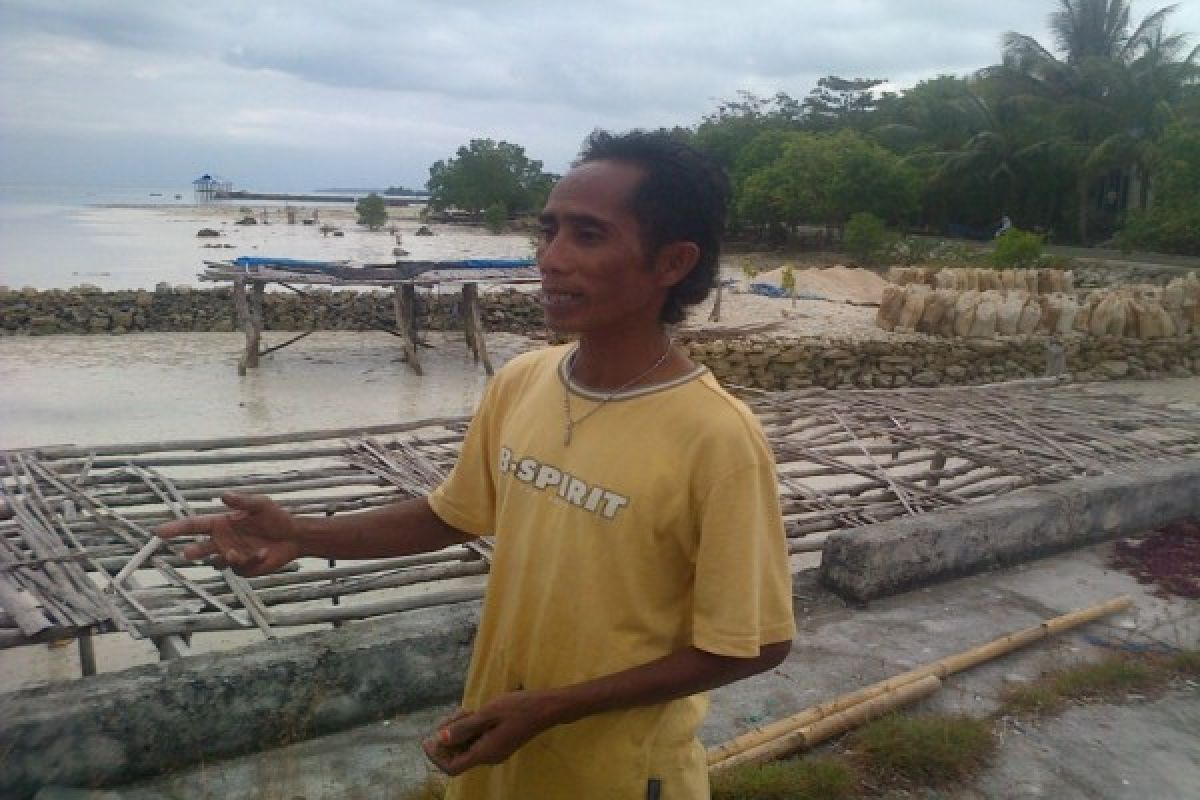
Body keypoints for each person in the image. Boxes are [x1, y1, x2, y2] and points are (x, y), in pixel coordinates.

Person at [157, 129, 796, 798]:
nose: (551, 258)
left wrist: (552, 707)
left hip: (619, 773)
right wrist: (303, 534)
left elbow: (754, 643)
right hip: (499, 747)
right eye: (546, 232)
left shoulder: (715, 437)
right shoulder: (525, 379)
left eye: (588, 235)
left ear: (672, 263)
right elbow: (451, 514)